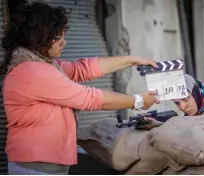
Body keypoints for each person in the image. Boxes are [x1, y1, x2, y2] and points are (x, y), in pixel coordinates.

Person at [1, 2, 159, 174]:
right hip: (36, 168)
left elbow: (83, 68)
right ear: (38, 36)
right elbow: (89, 97)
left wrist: (132, 60)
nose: (64, 43)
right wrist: (138, 101)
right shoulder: (32, 71)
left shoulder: (42, 64)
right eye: (57, 37)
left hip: (47, 165)